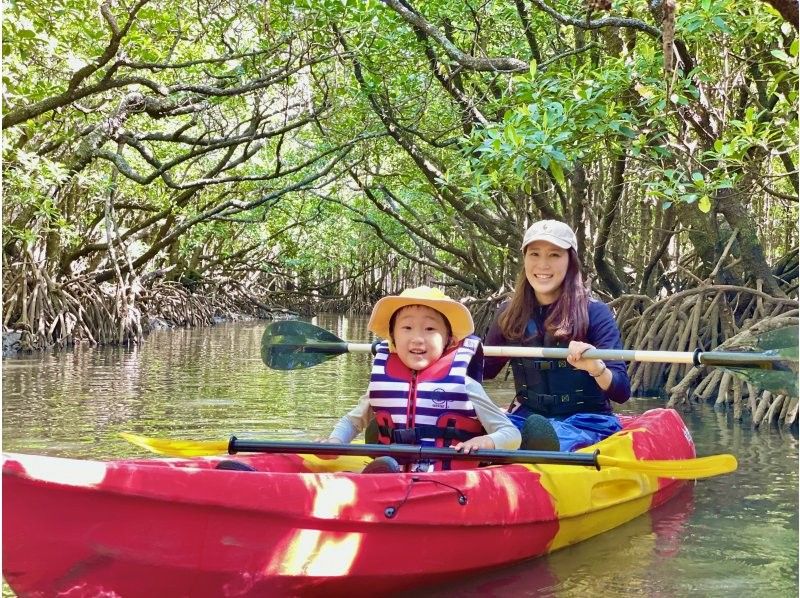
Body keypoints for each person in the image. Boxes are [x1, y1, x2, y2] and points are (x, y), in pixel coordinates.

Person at [323, 286, 521, 472]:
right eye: (407, 327)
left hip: (447, 483)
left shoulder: (465, 386)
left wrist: (486, 441)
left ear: (449, 340)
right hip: (389, 479)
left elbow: (511, 434)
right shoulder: (381, 385)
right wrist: (335, 442)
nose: (417, 338)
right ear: (392, 337)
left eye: (429, 329)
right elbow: (352, 422)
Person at [483, 220, 631, 451]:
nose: (543, 265)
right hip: (526, 420)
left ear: (570, 261)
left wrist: (596, 367)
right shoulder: (508, 314)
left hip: (587, 422)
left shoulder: (594, 312)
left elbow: (621, 391)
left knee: (552, 438)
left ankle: (534, 449)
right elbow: (484, 371)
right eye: (534, 254)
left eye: (554, 255)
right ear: (524, 259)